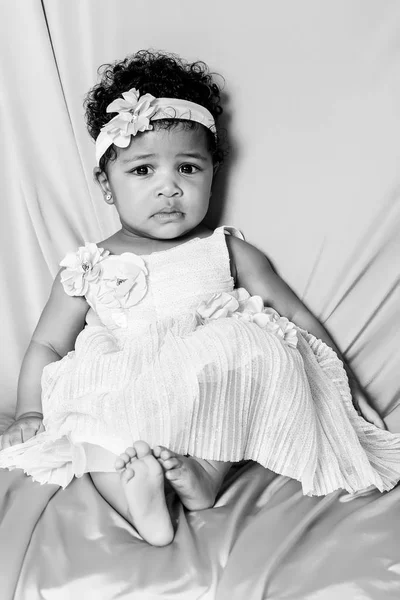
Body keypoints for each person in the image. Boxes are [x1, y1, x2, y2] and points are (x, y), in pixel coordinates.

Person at [1, 50, 399, 547]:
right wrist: (28, 412)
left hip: (207, 388)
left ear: (213, 173)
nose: (168, 188)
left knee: (255, 349)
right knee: (90, 422)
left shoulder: (224, 247)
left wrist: (345, 382)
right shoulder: (89, 264)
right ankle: (138, 499)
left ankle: (205, 473)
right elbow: (48, 346)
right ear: (106, 185)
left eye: (188, 169)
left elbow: (292, 313)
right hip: (129, 384)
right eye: (143, 171)